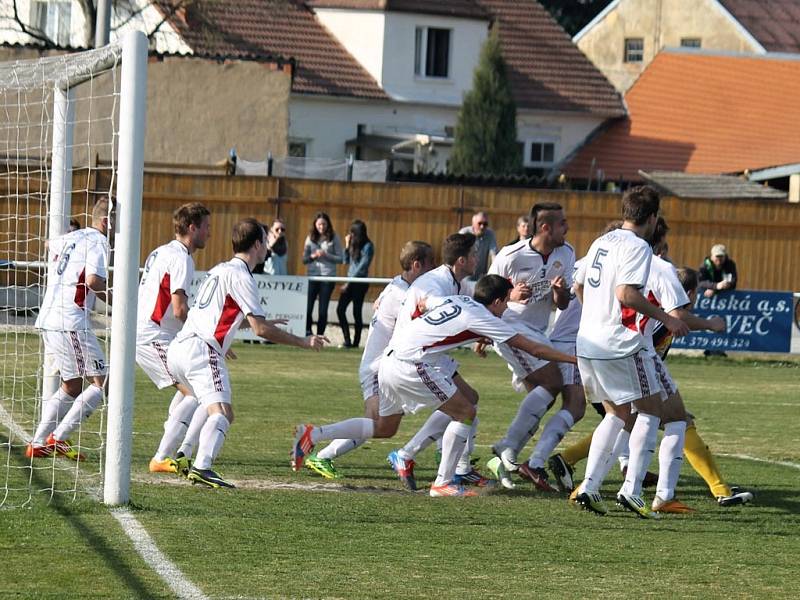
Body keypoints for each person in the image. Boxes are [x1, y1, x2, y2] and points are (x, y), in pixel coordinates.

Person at [291, 275, 578, 497]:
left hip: (390, 358)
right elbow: (534, 349)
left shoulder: (457, 300)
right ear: (499, 302)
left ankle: (313, 434)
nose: (505, 311)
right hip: (413, 363)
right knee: (466, 411)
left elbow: (424, 307)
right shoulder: (485, 316)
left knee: (385, 427)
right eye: (506, 304)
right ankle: (443, 483)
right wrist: (573, 359)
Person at [167, 219, 327, 488]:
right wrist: (304, 342)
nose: (267, 246)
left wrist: (233, 332)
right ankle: (202, 466)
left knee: (206, 405)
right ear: (257, 245)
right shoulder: (242, 275)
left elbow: (218, 315)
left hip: (181, 347)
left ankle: (184, 454)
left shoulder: (220, 269)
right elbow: (261, 329)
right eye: (265, 241)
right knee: (223, 413)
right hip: (201, 349)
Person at [572, 186, 689, 519]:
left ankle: (590, 487)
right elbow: (626, 293)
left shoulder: (601, 241)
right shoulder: (639, 246)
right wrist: (667, 318)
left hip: (587, 342)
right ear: (652, 218)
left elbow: (579, 285)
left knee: (617, 413)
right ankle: (632, 491)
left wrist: (594, 315)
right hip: (621, 342)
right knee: (650, 410)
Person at [305, 241, 435, 479]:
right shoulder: (403, 294)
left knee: (383, 425)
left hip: (385, 366)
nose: (434, 271)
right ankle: (318, 448)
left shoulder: (397, 284)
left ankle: (320, 451)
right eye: (431, 265)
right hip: (378, 368)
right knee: (376, 423)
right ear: (417, 265)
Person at [386, 233, 489, 489]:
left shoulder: (454, 281)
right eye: (475, 254)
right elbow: (432, 305)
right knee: (464, 409)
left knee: (469, 400)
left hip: (429, 353)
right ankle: (446, 474)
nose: (478, 258)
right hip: (415, 356)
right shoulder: (436, 281)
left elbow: (471, 304)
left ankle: (416, 457)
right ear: (461, 260)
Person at [487, 202, 574, 492]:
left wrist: (561, 293)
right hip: (509, 325)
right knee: (553, 382)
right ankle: (508, 448)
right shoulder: (510, 255)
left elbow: (563, 304)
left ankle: (505, 454)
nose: (567, 227)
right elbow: (486, 293)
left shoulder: (567, 253)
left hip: (538, 330)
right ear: (545, 227)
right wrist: (510, 294)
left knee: (544, 398)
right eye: (562, 223)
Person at [26, 197, 113, 460]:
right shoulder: (99, 240)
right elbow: (93, 280)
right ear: (107, 221)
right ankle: (57, 438)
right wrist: (121, 301)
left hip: (49, 317)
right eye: (118, 222)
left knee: (72, 384)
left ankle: (39, 442)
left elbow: (49, 244)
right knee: (102, 382)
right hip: (70, 321)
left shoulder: (72, 237)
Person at [136, 202, 211, 475]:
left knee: (193, 390)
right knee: (197, 394)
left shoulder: (160, 251)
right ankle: (162, 456)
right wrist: (205, 334)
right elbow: (179, 310)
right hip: (152, 335)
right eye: (206, 227)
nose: (209, 233)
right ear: (192, 227)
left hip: (157, 333)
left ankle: (174, 443)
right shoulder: (182, 258)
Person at [303, 212, 343, 336]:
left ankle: (320, 335)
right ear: (315, 224)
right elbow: (304, 259)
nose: (321, 227)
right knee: (308, 308)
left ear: (328, 224)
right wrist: (313, 256)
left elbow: (340, 259)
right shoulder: (310, 237)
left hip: (327, 277)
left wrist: (326, 255)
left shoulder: (334, 237)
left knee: (322, 310)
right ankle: (308, 332)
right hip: (313, 276)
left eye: (324, 224)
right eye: (319, 224)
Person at [337, 219, 375, 348]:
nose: (350, 235)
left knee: (356, 311)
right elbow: (345, 261)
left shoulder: (368, 246)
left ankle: (356, 342)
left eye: (353, 233)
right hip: (350, 280)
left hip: (359, 282)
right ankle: (347, 340)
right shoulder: (354, 244)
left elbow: (362, 267)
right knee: (340, 309)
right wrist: (347, 246)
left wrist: (348, 283)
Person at [459, 211, 497, 281]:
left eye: (485, 224)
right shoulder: (464, 233)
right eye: (479, 223)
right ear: (473, 224)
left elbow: (494, 255)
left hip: (481, 275)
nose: (482, 226)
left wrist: (494, 273)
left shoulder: (490, 234)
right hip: (465, 274)